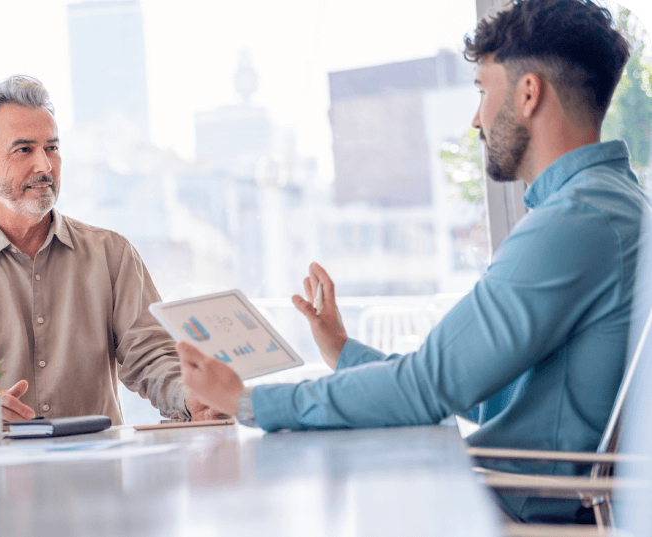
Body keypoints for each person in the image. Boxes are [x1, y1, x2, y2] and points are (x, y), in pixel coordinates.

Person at [177, 0, 649, 523]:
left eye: (482, 91)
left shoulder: (572, 224)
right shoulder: (611, 206)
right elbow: (474, 388)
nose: (476, 119)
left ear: (528, 93)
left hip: (517, 509)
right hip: (524, 495)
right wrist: (344, 352)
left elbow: (429, 389)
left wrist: (249, 402)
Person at [0, 75, 215, 424]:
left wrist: (190, 397)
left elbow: (151, 356)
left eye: (52, 148)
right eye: (24, 149)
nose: (44, 166)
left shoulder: (112, 255)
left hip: (98, 471)